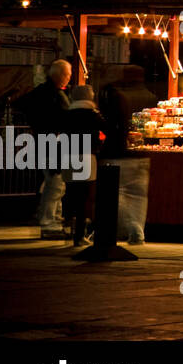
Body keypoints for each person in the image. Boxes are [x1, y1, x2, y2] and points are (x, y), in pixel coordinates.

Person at [97, 64, 156, 244]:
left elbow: (109, 125)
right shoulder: (150, 97)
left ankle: (126, 228)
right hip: (141, 155)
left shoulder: (115, 96)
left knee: (118, 192)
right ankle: (137, 231)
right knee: (138, 195)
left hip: (118, 152)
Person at [21, 60, 71, 238]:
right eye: (67, 75)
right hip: (54, 144)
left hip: (42, 141)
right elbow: (67, 118)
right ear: (60, 75)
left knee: (54, 183)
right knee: (56, 184)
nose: (69, 78)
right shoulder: (57, 96)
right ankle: (50, 222)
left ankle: (54, 220)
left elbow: (24, 106)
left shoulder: (39, 93)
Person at [61, 84, 104, 244]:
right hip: (86, 156)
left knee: (70, 193)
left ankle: (68, 227)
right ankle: (79, 234)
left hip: (68, 156)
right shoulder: (93, 115)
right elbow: (105, 128)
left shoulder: (67, 114)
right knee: (84, 197)